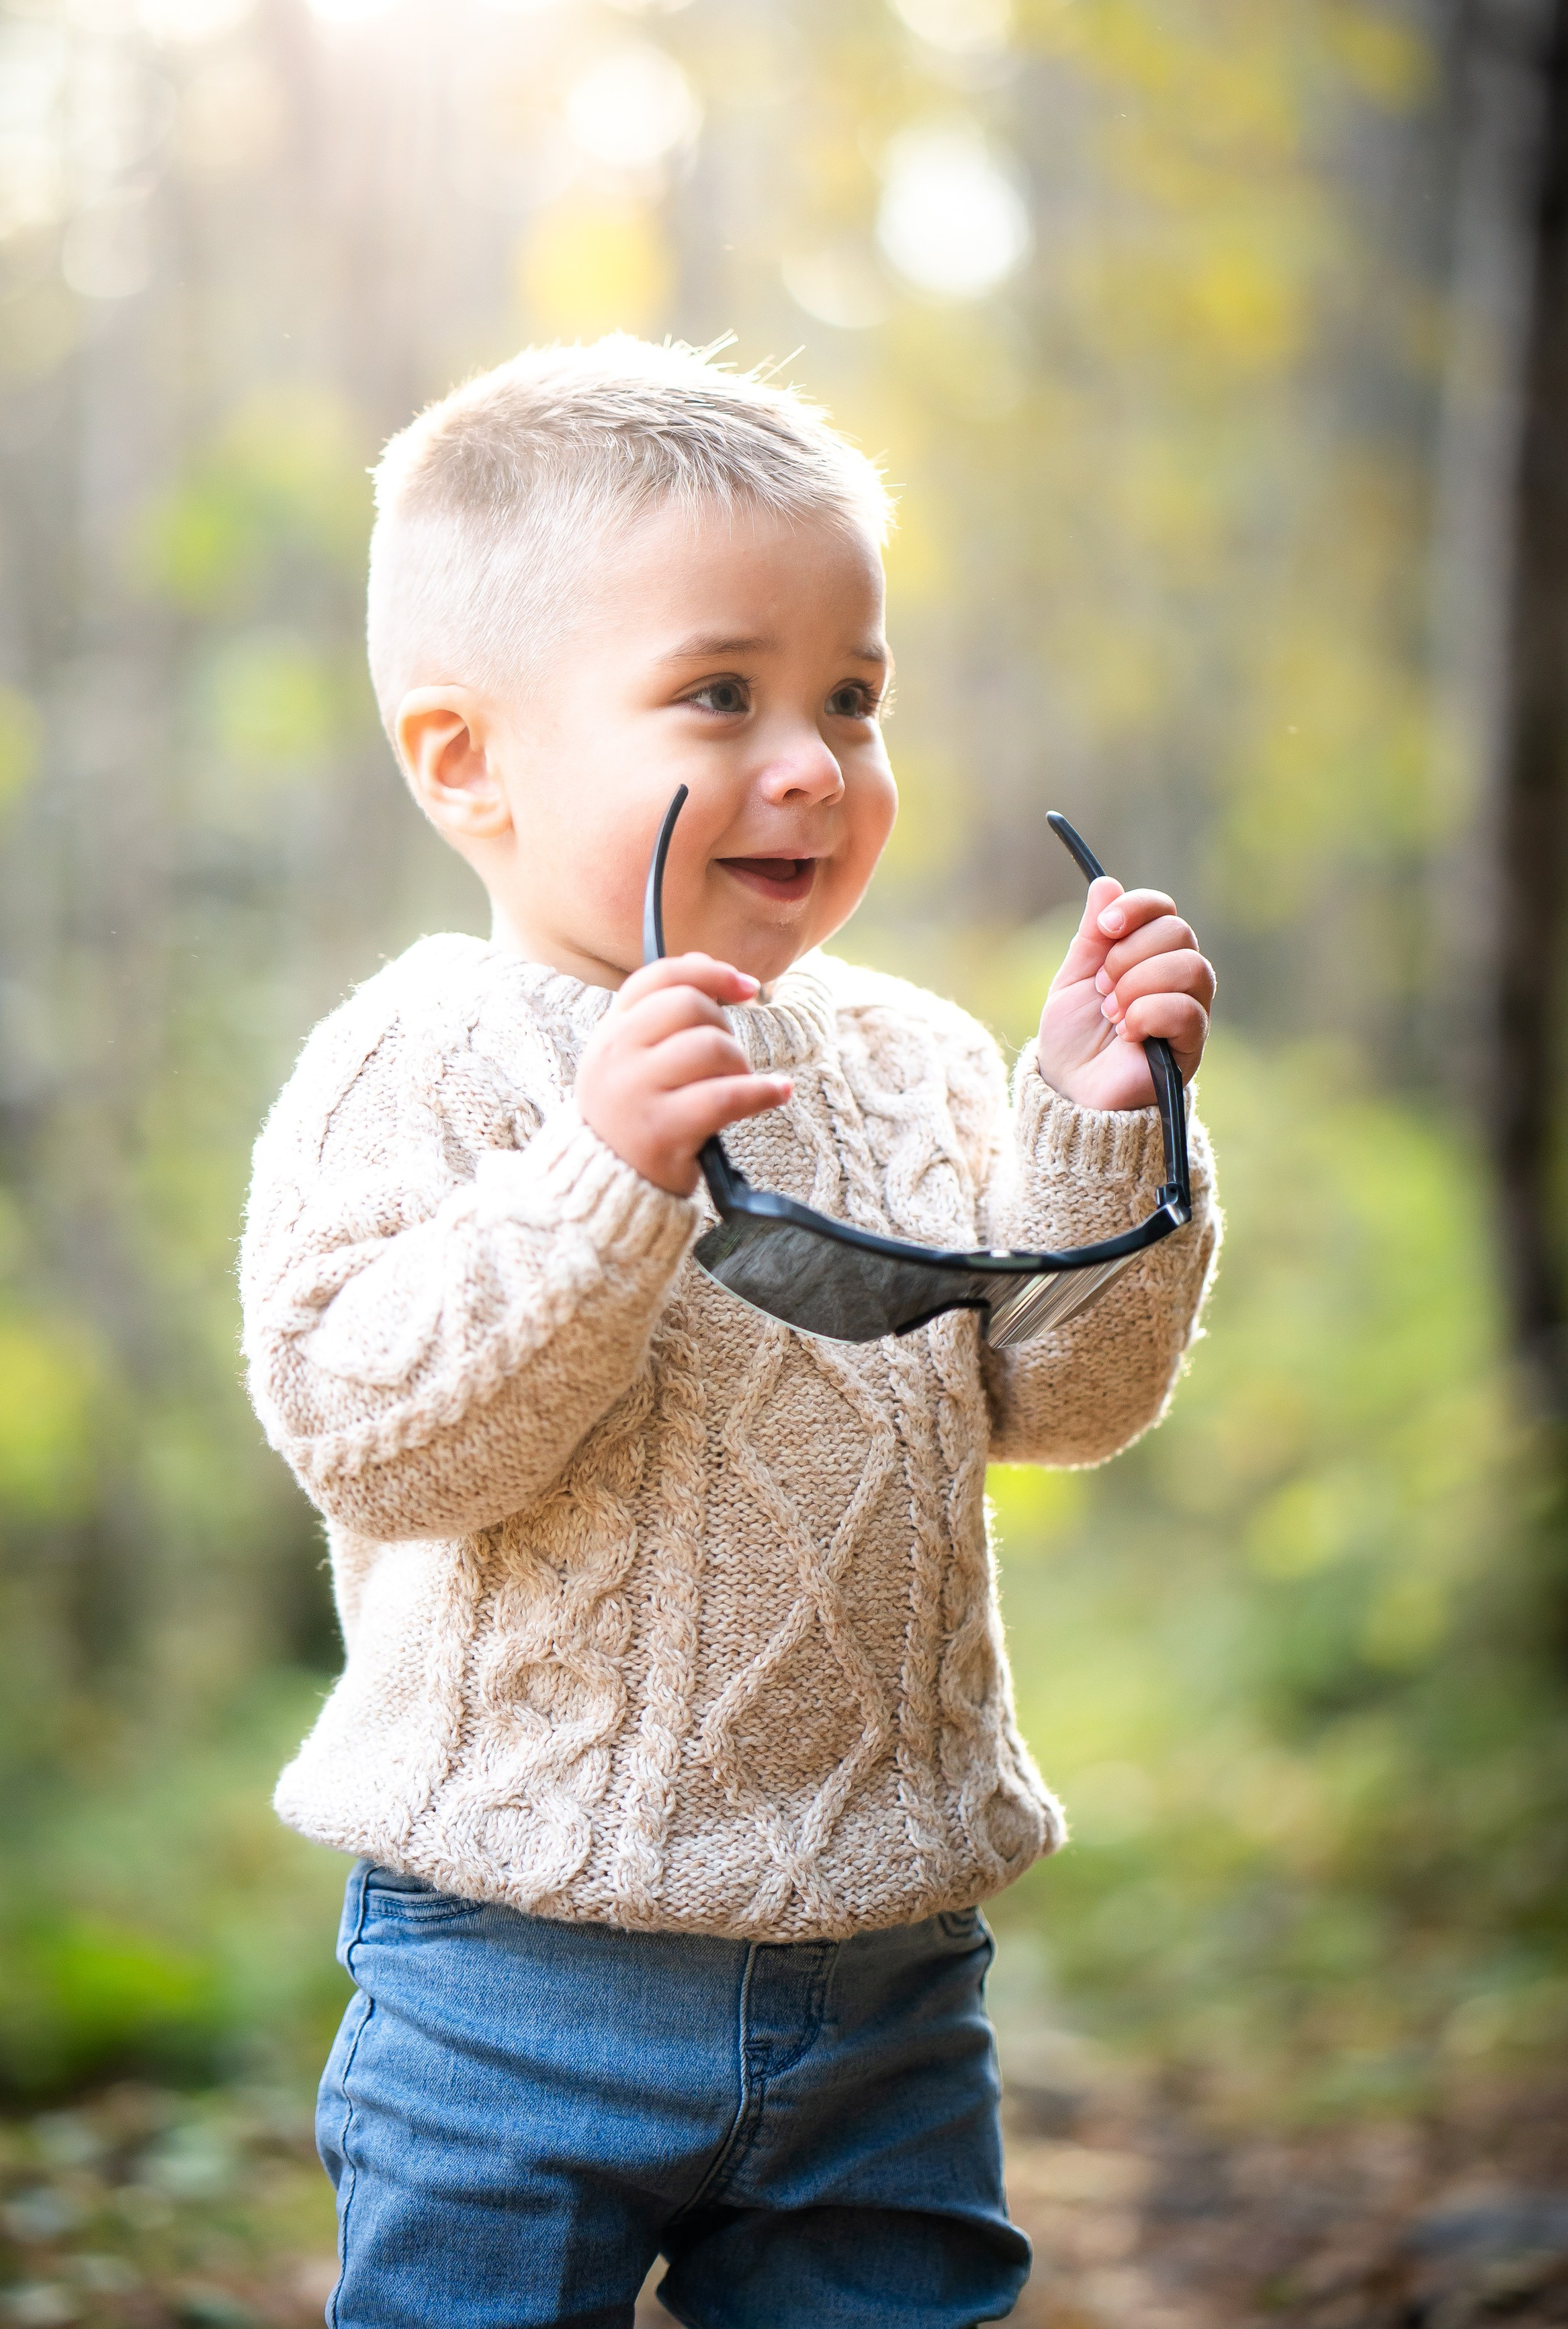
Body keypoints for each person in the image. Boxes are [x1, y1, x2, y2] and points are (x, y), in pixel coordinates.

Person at [239, 336, 1220, 2329]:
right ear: (467, 759)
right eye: (720, 695)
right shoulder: (422, 1062)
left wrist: (1094, 1128)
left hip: (887, 1972)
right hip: (513, 1978)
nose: (811, 764)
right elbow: (372, 1434)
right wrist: (600, 1175)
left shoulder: (911, 1058)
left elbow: (1060, 1398)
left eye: (851, 701)